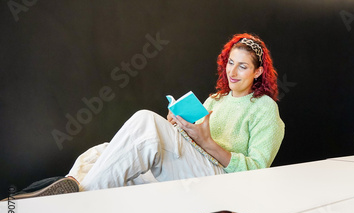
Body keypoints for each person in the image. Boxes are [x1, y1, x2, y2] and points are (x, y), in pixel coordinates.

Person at [6, 33, 285, 200]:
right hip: (194, 165)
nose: (232, 72)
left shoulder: (265, 109)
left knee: (145, 122)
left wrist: (209, 143)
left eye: (243, 66)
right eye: (231, 63)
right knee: (104, 152)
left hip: (220, 182)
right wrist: (180, 125)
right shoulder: (216, 99)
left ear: (258, 72)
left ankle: (75, 198)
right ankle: (65, 189)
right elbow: (196, 139)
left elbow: (258, 173)